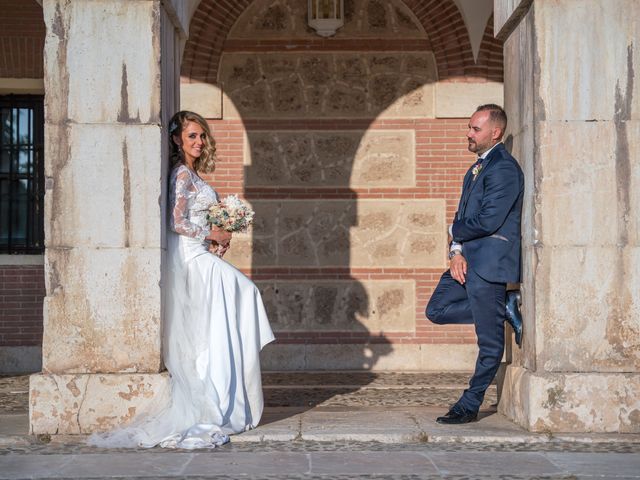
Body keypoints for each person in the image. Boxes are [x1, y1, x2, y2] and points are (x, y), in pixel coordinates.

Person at [90, 111, 274, 448]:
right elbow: (175, 222)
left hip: (202, 251)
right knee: (246, 291)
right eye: (192, 136)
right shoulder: (181, 176)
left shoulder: (195, 175)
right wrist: (211, 231)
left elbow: (198, 219)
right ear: (177, 140)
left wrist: (221, 235)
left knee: (222, 316)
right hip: (191, 257)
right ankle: (217, 396)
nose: (199, 142)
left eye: (202, 136)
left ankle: (228, 391)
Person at [426, 104, 524, 425]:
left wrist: (455, 231)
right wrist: (455, 250)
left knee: (490, 342)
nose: (469, 133)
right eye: (469, 127)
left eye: (475, 128)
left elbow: (488, 220)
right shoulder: (475, 170)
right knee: (436, 310)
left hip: (490, 263)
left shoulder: (505, 169)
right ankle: (505, 307)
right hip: (467, 260)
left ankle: (469, 405)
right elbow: (462, 215)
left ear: (495, 132)